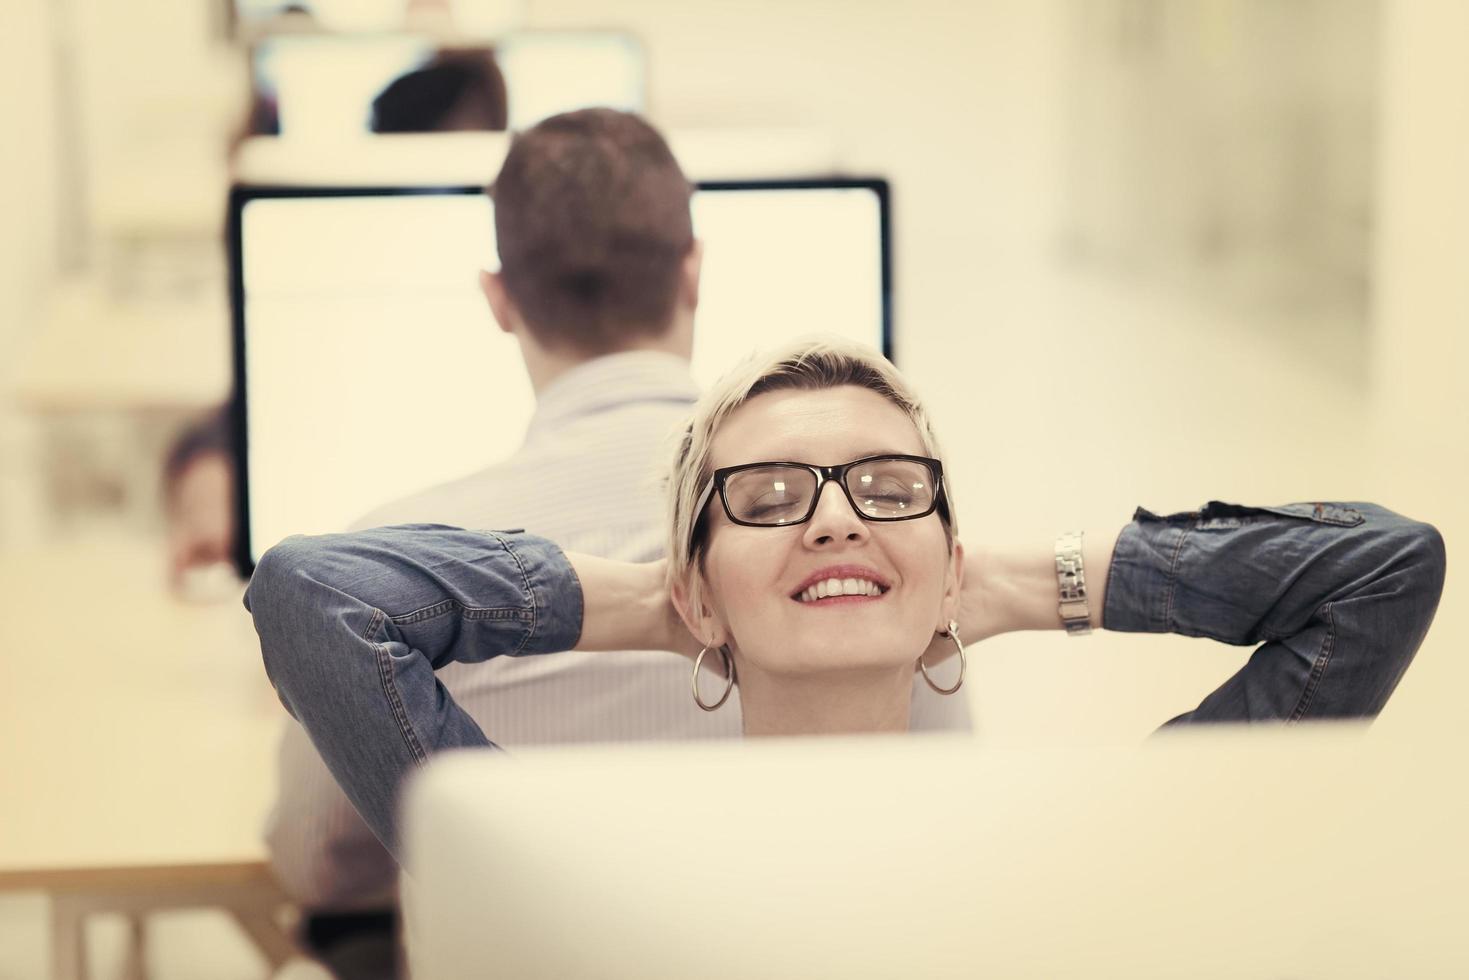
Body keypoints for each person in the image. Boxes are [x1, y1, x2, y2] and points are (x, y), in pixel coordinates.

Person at [245, 336, 1447, 860]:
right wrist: (648, 602)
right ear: (696, 589)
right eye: (766, 496)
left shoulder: (1088, 846)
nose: (832, 517)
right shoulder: (567, 856)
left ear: (949, 561)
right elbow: (317, 597)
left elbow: (1378, 573)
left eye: (886, 488)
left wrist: (1025, 584)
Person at [262, 111, 970, 972]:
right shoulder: (866, 587)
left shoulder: (394, 582)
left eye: (879, 492)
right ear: (694, 272)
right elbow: (937, 790)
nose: (833, 521)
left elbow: (318, 865)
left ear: (498, 297)